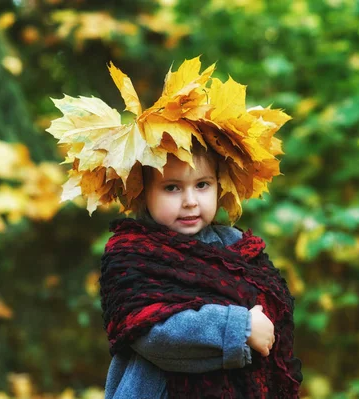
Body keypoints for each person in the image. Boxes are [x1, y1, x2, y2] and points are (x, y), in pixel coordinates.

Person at [47, 57, 303, 398]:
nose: (190, 201)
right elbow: (151, 333)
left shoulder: (237, 247)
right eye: (172, 188)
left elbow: (272, 312)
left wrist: (256, 326)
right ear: (143, 192)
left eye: (202, 185)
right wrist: (238, 329)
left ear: (218, 185)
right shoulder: (131, 254)